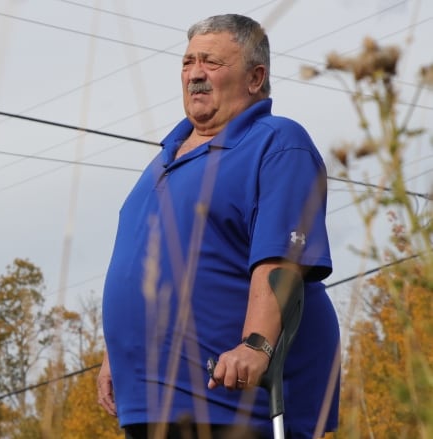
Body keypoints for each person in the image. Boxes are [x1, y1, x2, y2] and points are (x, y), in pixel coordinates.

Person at [98, 14, 340, 439]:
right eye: (188, 62)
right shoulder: (162, 162)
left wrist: (256, 344)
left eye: (211, 63)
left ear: (255, 77)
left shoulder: (277, 143)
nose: (195, 75)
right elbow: (143, 267)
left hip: (232, 404)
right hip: (152, 404)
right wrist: (113, 356)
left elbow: (282, 260)